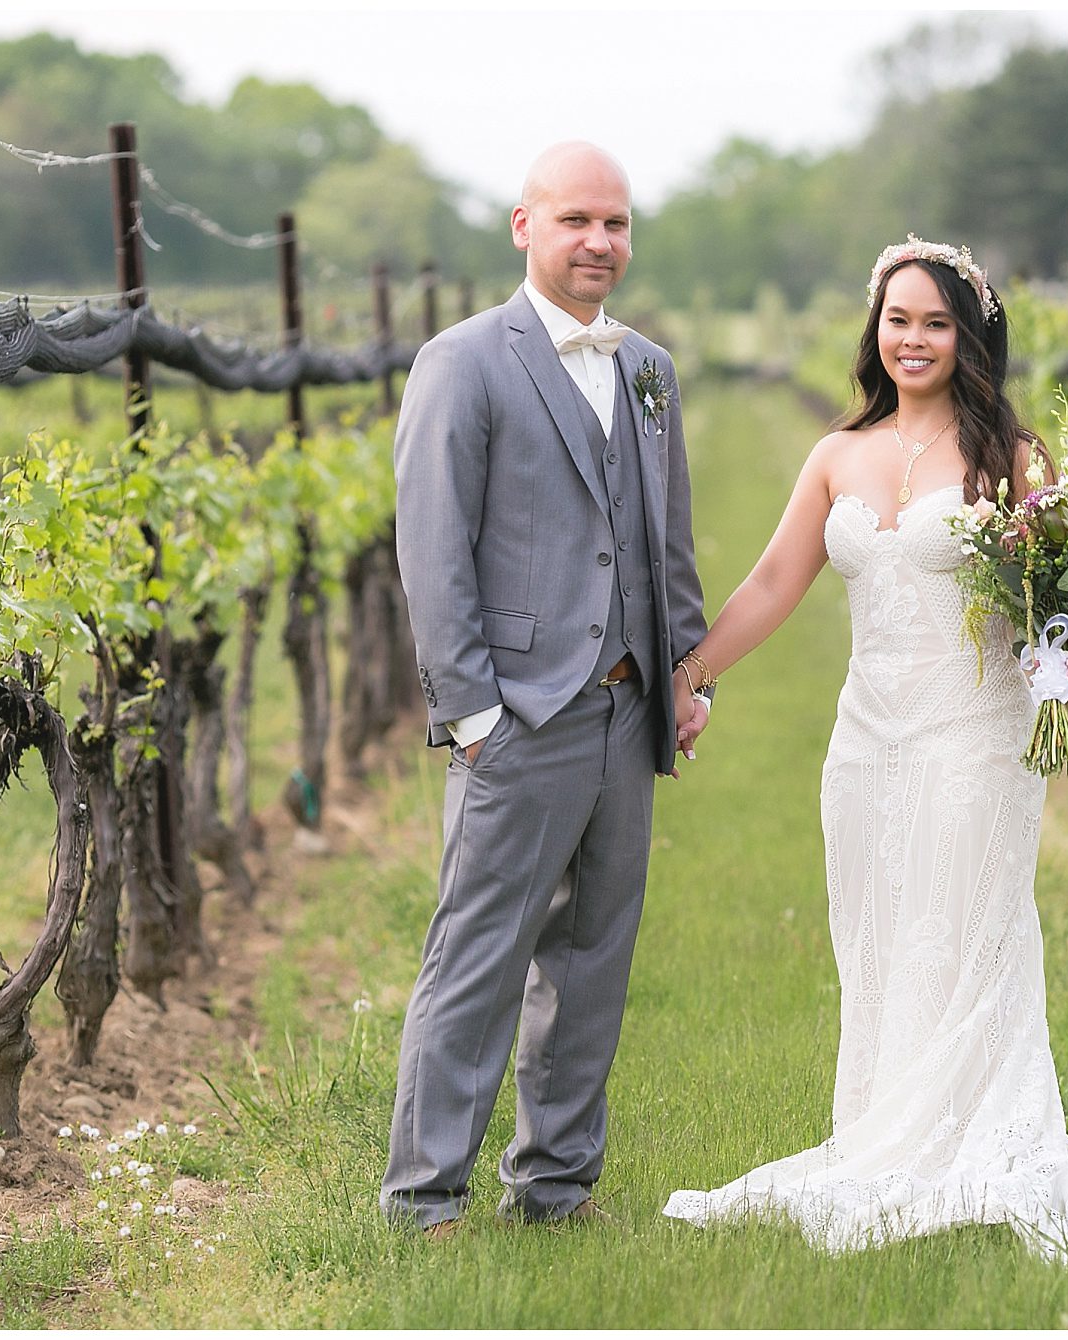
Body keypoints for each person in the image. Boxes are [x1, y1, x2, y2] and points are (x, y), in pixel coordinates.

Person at [661, 238, 1068, 1273]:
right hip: (864, 740)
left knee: (965, 933)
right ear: (871, 331)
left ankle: (975, 1144)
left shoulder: (1010, 460)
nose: (912, 339)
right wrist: (690, 674)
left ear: (968, 337)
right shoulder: (837, 453)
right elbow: (768, 584)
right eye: (896, 320)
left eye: (934, 323)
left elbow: (1053, 615)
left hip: (973, 738)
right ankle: (885, 1136)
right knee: (879, 936)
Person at [382, 141, 708, 1234]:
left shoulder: (650, 368)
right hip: (516, 715)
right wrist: (472, 713)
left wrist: (682, 675)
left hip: (624, 709)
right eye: (575, 220)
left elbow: (666, 541)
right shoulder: (463, 362)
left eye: (615, 223)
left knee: (592, 962)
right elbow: (432, 550)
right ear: (523, 225)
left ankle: (556, 1186)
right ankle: (424, 1197)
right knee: (477, 960)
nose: (598, 243)